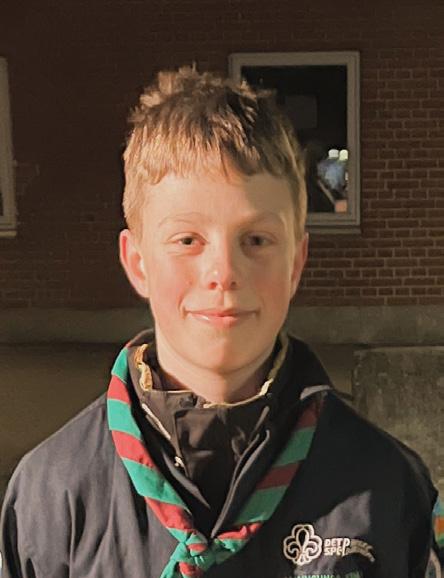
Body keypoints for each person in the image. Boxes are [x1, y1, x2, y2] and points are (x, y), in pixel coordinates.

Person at [0, 66, 442, 578]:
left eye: (256, 240)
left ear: (296, 263)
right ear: (137, 262)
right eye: (187, 240)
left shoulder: (386, 488)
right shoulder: (52, 495)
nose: (224, 273)